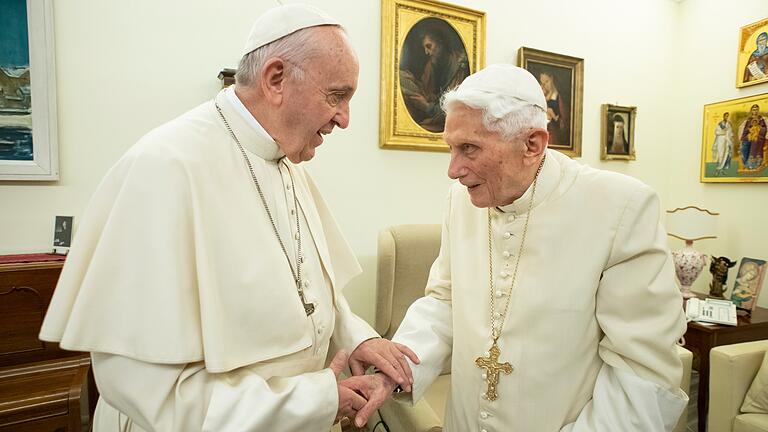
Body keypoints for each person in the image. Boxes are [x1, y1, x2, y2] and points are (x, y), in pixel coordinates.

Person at [38, 5, 417, 431]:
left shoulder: (287, 162)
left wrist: (356, 336)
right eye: (337, 95)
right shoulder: (165, 167)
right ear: (276, 79)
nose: (345, 119)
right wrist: (317, 398)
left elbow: (307, 289)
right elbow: (150, 390)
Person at [374, 64, 688, 431]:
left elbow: (643, 373)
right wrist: (395, 370)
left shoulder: (621, 208)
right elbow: (444, 302)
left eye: (469, 149)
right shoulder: (460, 200)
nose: (453, 170)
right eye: (451, 148)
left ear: (532, 144)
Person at [400, 25, 470, 133]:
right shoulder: (431, 65)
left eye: (429, 46)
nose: (427, 52)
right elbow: (427, 93)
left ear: (440, 43)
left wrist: (427, 107)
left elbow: (454, 108)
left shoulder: (459, 67)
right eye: (424, 48)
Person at [538, 71, 569, 146]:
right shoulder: (543, 96)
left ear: (552, 79)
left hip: (554, 137)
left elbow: (565, 121)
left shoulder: (560, 98)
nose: (544, 86)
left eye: (546, 81)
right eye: (542, 83)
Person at [738, 103, 766, 170]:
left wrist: (758, 131)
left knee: (755, 143)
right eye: (754, 110)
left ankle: (755, 165)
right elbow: (746, 129)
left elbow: (764, 128)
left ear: (758, 110)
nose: (755, 111)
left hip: (758, 137)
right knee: (744, 146)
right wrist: (746, 136)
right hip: (749, 136)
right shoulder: (749, 119)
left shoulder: (761, 118)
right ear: (751, 111)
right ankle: (746, 163)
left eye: (756, 110)